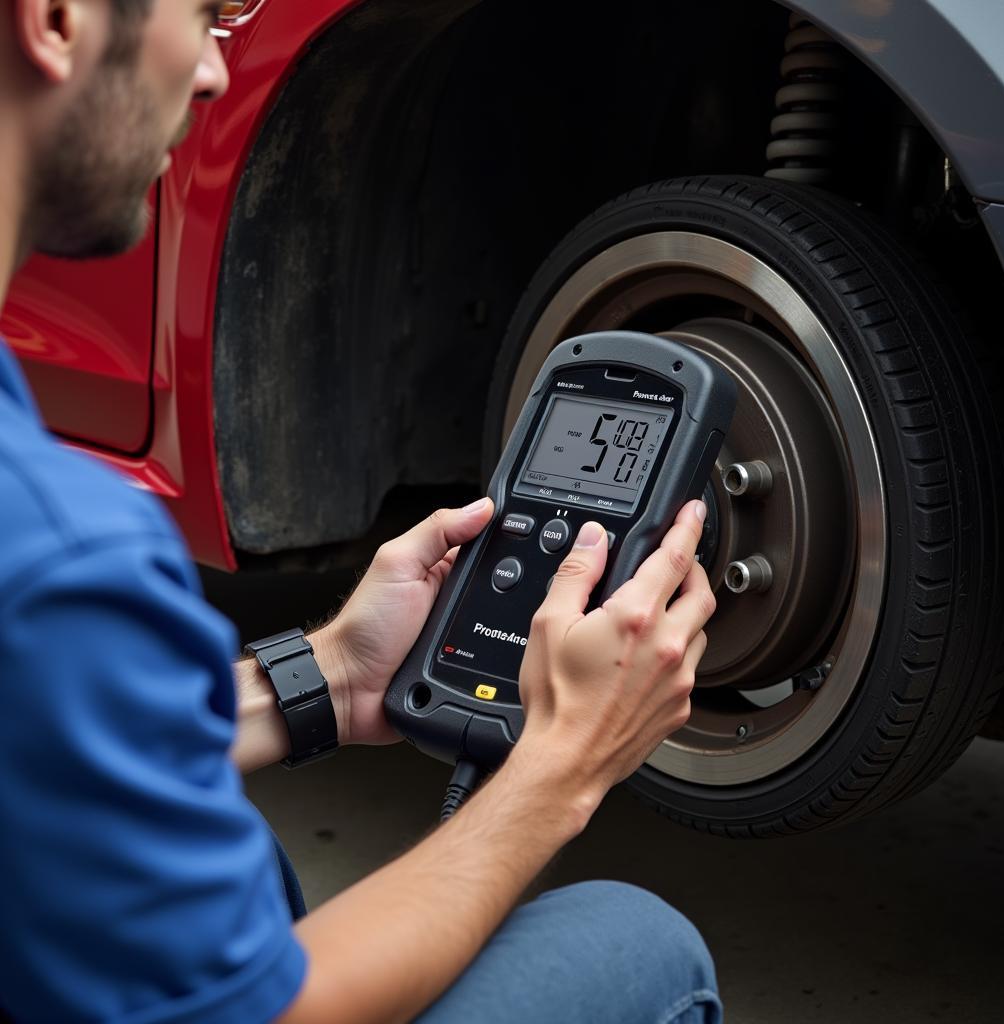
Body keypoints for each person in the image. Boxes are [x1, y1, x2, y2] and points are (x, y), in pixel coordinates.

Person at [0, 1, 723, 1021]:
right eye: (206, 14)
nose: (212, 75)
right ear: (59, 19)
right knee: (640, 944)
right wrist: (562, 766)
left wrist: (329, 677)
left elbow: (37, 750)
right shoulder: (62, 554)